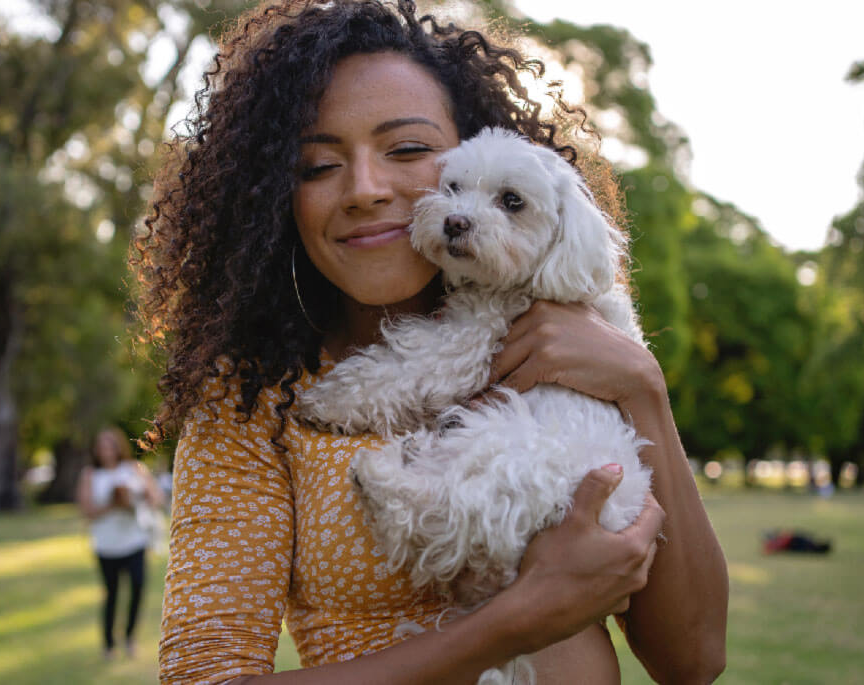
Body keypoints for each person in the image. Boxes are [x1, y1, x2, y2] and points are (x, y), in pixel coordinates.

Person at [134, 1, 729, 682]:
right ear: (274, 196)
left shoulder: (572, 336)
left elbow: (695, 660)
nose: (363, 189)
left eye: (409, 149)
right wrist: (513, 621)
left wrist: (642, 387)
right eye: (317, 166)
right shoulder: (252, 399)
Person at [76, 427, 165, 659]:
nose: (106, 450)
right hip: (106, 544)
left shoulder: (134, 469)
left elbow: (156, 497)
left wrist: (140, 497)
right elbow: (86, 510)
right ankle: (108, 643)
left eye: (110, 445)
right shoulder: (90, 474)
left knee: (137, 587)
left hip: (135, 541)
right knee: (112, 593)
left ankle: (129, 637)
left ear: (118, 447)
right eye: (101, 446)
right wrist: (112, 504)